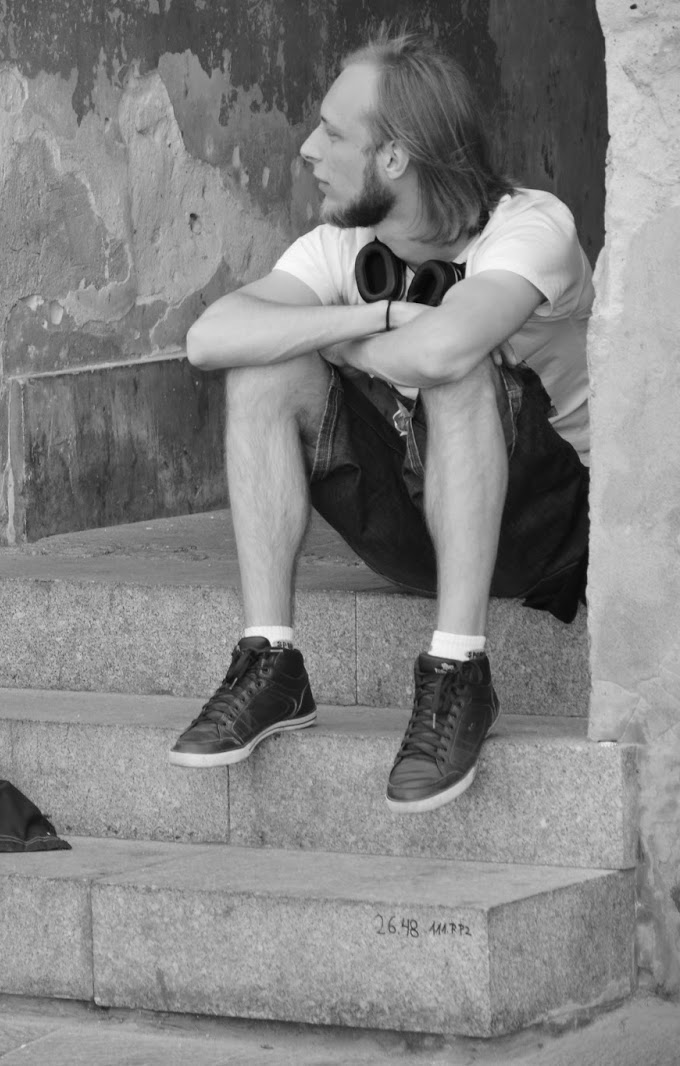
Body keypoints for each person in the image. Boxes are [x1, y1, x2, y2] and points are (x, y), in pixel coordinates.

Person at [167, 33, 593, 814]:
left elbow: (446, 346)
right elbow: (209, 339)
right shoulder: (343, 245)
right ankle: (271, 662)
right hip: (415, 527)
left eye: (333, 133)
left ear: (394, 159)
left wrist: (351, 336)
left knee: (453, 368)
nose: (306, 148)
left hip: (547, 533)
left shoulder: (531, 227)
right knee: (263, 369)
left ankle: (459, 671)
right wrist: (377, 314)